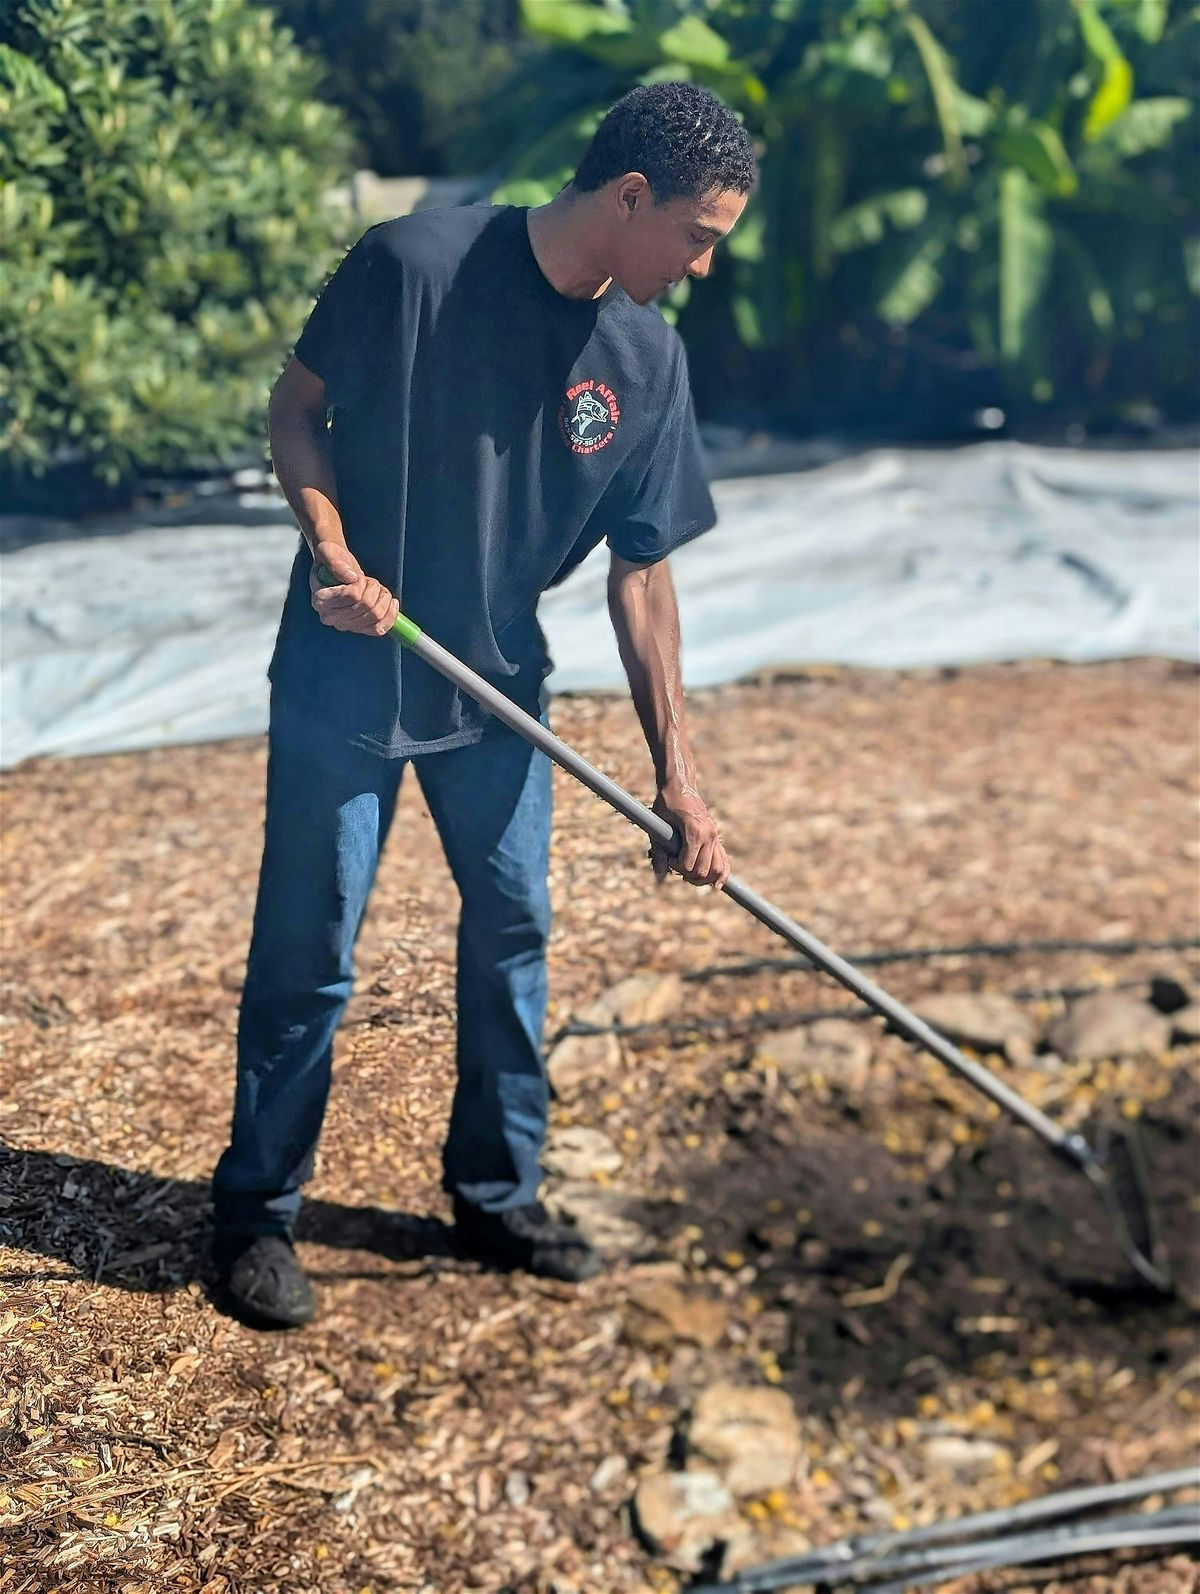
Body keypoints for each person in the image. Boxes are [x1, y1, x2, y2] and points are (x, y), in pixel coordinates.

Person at [210, 81, 756, 1329]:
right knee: (311, 955)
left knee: (513, 929)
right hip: (349, 668)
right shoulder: (413, 265)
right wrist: (330, 555)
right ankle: (256, 1215)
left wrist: (679, 772)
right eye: (698, 231)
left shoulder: (647, 358)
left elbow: (644, 567)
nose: (707, 263)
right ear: (630, 199)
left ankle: (496, 1192)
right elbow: (296, 410)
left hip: (497, 689)